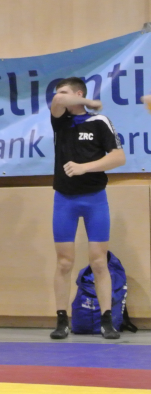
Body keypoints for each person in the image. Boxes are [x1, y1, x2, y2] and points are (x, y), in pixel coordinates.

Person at [48, 77, 126, 340]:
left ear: (78, 93)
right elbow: (58, 101)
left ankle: (107, 320)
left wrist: (84, 167)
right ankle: (62, 320)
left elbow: (118, 157)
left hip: (94, 199)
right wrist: (90, 101)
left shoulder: (99, 122)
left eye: (65, 91)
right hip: (65, 200)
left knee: (98, 261)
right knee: (64, 262)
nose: (59, 96)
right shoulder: (60, 120)